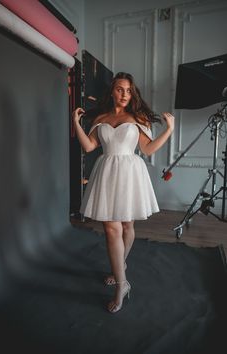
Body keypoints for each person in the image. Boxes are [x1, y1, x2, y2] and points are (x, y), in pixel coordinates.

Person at [72, 72, 174, 314]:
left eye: (128, 90)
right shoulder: (102, 117)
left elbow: (147, 149)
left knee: (127, 226)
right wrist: (75, 123)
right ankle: (122, 284)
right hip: (107, 172)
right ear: (112, 91)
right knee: (111, 228)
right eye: (120, 89)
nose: (125, 94)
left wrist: (169, 130)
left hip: (130, 173)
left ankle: (120, 266)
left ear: (133, 93)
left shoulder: (137, 117)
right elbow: (89, 147)